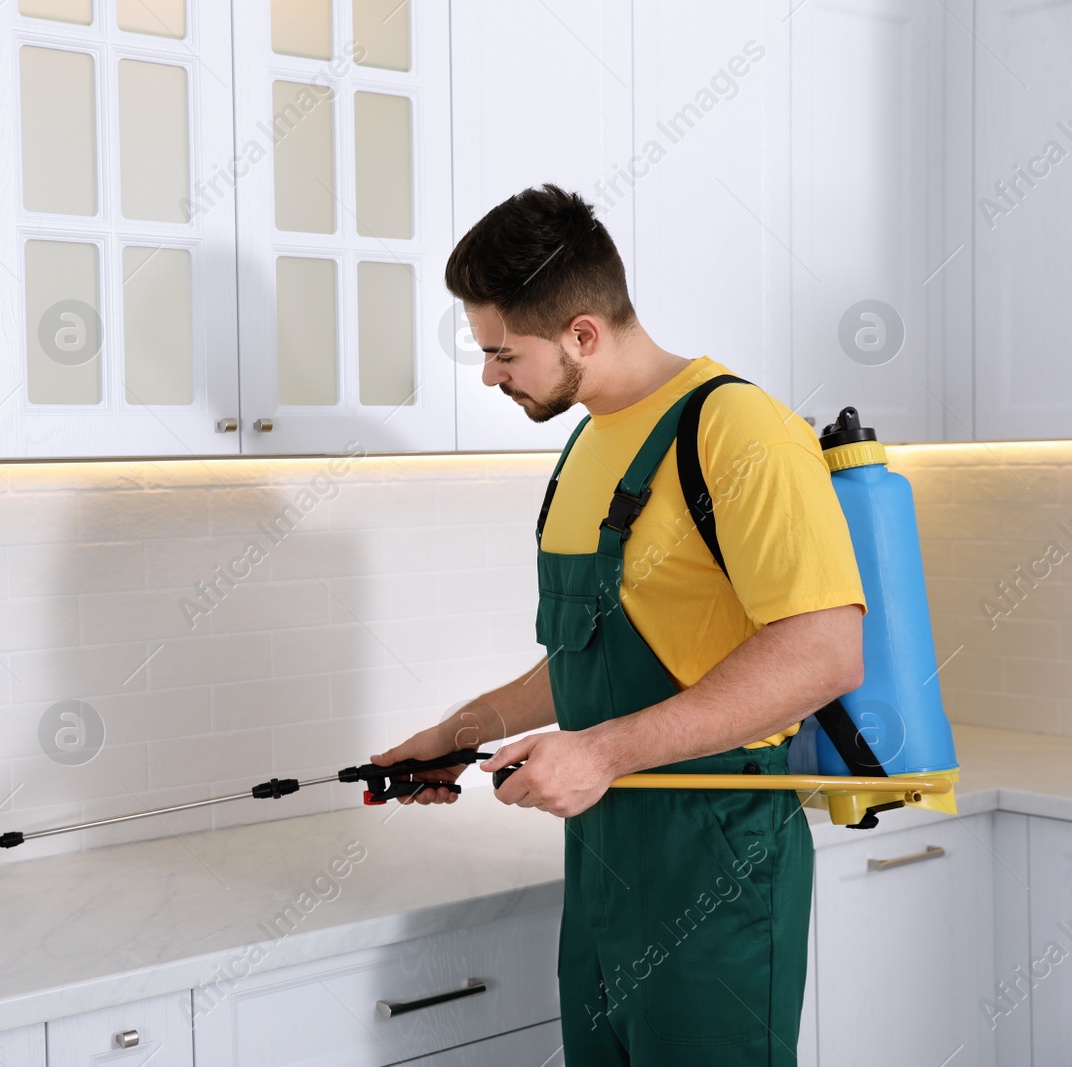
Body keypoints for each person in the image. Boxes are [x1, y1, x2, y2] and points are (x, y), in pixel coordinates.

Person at [371, 184, 866, 1066]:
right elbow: (592, 657)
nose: (488, 373)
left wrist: (596, 752)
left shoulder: (739, 433)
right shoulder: (588, 443)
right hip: (604, 860)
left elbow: (824, 653)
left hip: (718, 855)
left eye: (500, 352)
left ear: (583, 334)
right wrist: (454, 734)